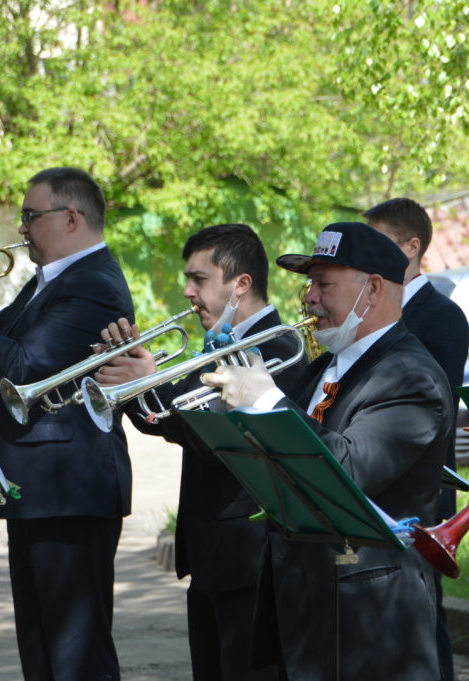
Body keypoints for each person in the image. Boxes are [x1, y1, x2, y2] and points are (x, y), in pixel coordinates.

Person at [200, 222, 454, 681]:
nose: (309, 298)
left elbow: (347, 468)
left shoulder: (412, 377)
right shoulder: (326, 366)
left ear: (373, 289)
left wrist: (266, 401)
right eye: (310, 283)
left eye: (323, 284)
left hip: (369, 623)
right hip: (307, 610)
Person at [92, 223, 306, 681]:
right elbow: (173, 426)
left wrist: (152, 381)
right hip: (212, 556)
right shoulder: (217, 341)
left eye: (199, 279)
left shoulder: (279, 345)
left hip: (250, 559)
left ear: (241, 283)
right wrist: (133, 387)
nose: (188, 291)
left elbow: (218, 441)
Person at [0, 167, 134, 681]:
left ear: (71, 218)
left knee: (76, 658)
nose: (22, 228)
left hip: (70, 493)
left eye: (31, 216)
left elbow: (20, 368)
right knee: (43, 654)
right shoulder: (52, 280)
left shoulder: (92, 283)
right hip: (42, 489)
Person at [363, 197, 469, 681]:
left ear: (411, 246)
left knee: (425, 612)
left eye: (379, 241)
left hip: (421, 485)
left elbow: (431, 401)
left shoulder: (440, 315)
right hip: (379, 476)